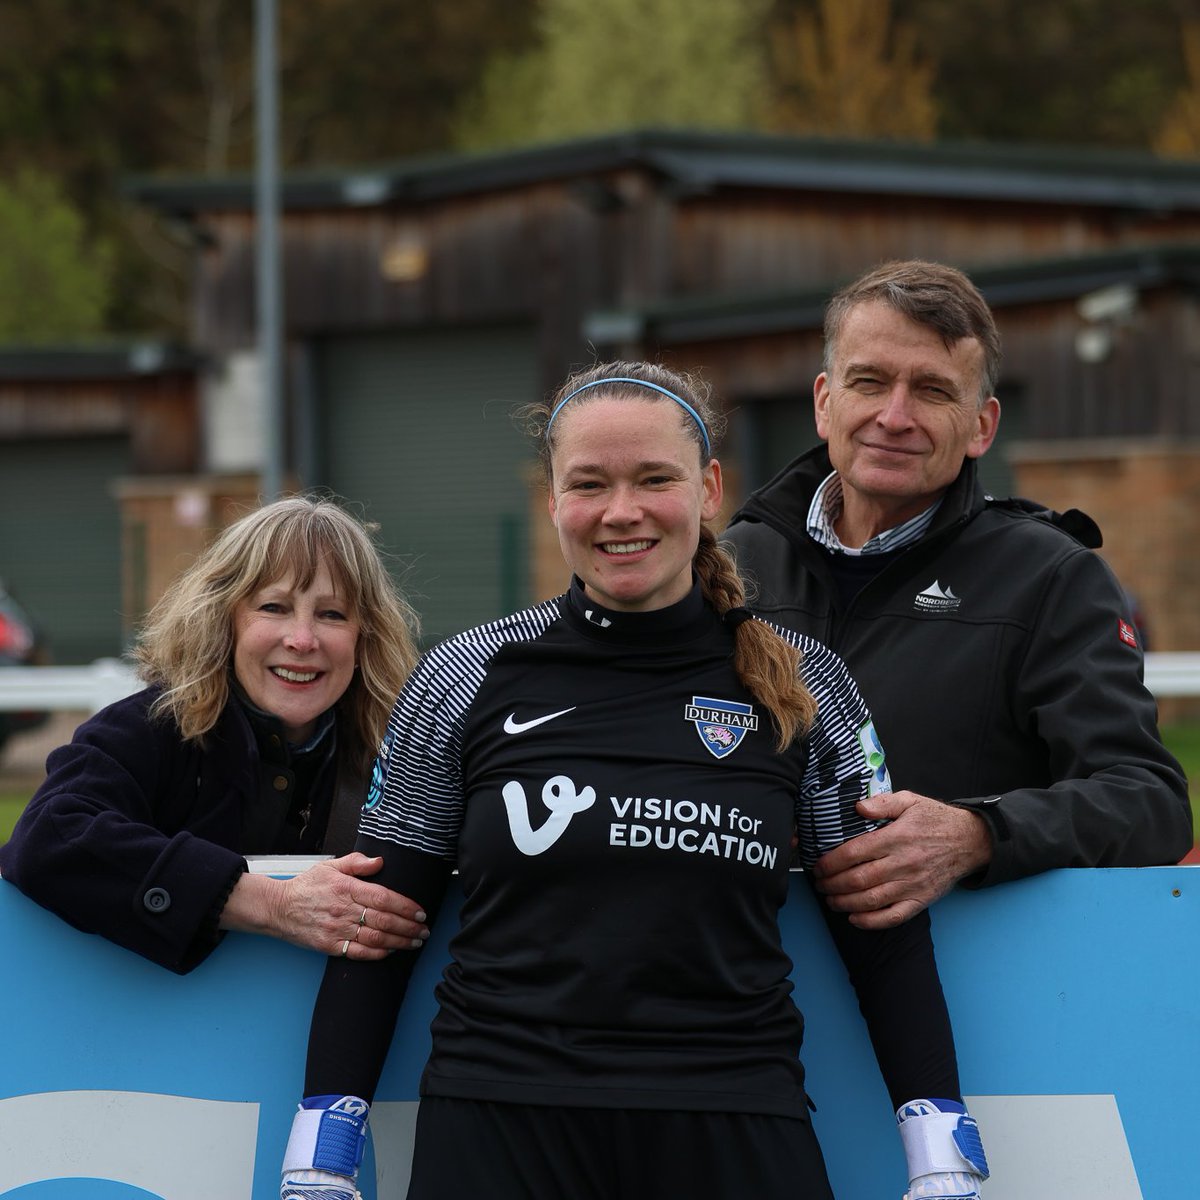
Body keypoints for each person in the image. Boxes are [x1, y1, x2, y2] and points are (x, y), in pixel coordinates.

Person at [279, 365, 989, 1200]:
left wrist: (940, 1146)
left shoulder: (804, 685)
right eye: (590, 483)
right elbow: (380, 922)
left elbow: (882, 926)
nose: (622, 511)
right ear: (553, 500)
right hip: (500, 1119)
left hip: (734, 1114)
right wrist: (320, 1154)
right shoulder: (465, 675)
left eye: (655, 479)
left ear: (708, 488)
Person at [723, 259, 1193, 931]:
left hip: (962, 987)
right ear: (825, 402)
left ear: (981, 426)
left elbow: (1149, 804)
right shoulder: (733, 566)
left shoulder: (1051, 577)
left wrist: (978, 835)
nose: (894, 415)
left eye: (934, 391)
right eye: (870, 381)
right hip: (737, 986)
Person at [0, 495, 432, 974]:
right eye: (274, 606)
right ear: (222, 618)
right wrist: (271, 903)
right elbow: (48, 839)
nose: (303, 640)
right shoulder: (148, 728)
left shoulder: (401, 754)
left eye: (332, 614)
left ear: (364, 635)